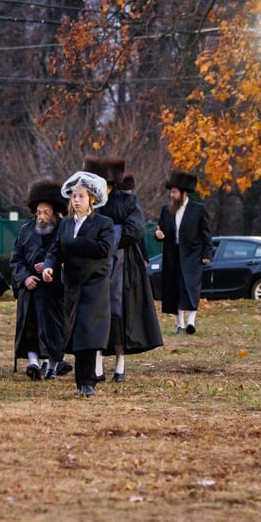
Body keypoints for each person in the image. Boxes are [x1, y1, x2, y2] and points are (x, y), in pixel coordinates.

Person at [42, 170, 115, 397]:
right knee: (76, 335)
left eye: (81, 196)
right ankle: (80, 383)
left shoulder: (104, 223)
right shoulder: (65, 225)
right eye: (73, 196)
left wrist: (74, 244)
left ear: (91, 198)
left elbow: (104, 249)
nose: (76, 200)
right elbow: (55, 249)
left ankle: (89, 382)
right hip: (72, 286)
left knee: (90, 334)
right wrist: (48, 265)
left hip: (94, 285)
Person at [93, 157, 162, 382]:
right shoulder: (91, 201)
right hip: (95, 263)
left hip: (124, 266)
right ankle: (96, 364)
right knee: (94, 313)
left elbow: (135, 229)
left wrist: (105, 236)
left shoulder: (128, 201)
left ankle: (120, 365)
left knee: (120, 313)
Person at [10, 179, 68, 381]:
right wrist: (25, 277)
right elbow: (15, 258)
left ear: (55, 213)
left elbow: (69, 255)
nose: (42, 217)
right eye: (39, 212)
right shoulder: (26, 230)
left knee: (54, 329)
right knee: (30, 329)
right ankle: (33, 364)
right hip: (31, 289)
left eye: (47, 213)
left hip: (54, 290)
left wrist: (52, 266)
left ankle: (53, 365)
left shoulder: (64, 229)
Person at [155, 169, 214, 336]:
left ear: (183, 193)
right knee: (175, 288)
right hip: (172, 255)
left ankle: (191, 322)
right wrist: (158, 235)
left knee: (191, 287)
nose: (171, 195)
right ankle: (180, 324)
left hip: (193, 255)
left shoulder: (198, 209)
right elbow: (161, 231)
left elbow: (206, 234)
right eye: (171, 192)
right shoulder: (166, 210)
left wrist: (207, 254)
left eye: (174, 192)